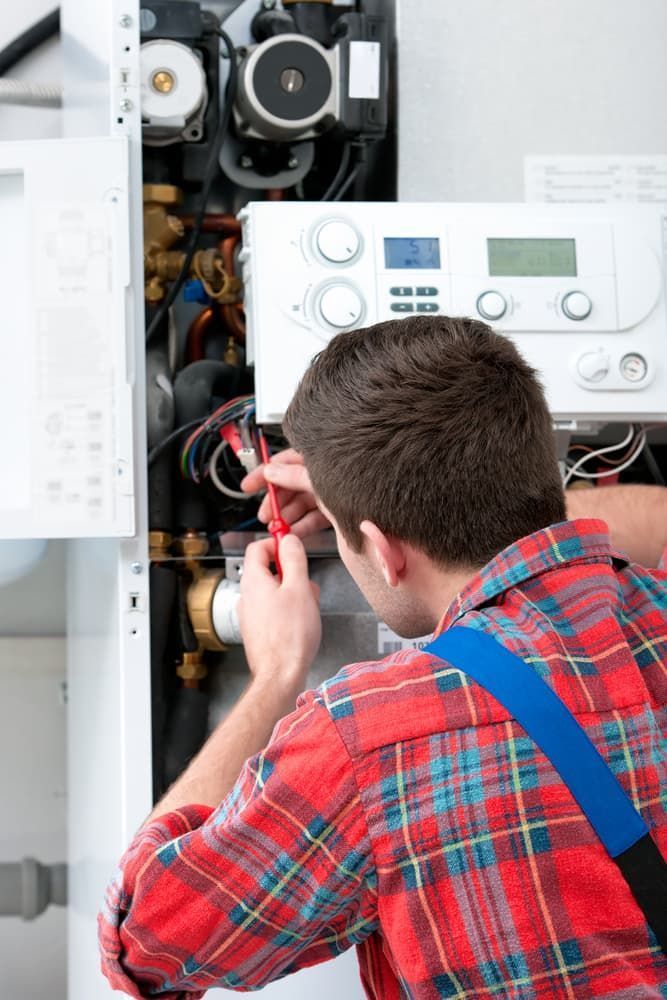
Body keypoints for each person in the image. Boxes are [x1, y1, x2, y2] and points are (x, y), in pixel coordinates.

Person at [100, 316, 667, 998]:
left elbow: (151, 945)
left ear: (383, 549)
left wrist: (276, 674)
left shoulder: (367, 737)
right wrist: (435, 495)